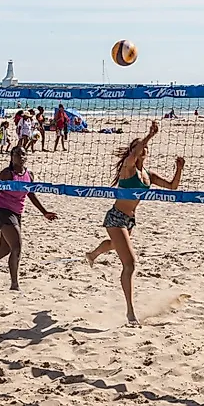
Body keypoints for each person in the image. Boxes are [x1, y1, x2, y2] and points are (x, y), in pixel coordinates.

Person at [85, 120, 185, 327]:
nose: (145, 149)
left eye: (146, 148)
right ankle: (130, 312)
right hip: (116, 218)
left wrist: (179, 168)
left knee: (114, 245)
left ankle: (93, 254)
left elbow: (173, 187)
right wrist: (149, 135)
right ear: (134, 151)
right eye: (141, 147)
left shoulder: (148, 175)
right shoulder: (127, 169)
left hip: (129, 220)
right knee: (130, 264)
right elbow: (134, 154)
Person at [0, 147, 57, 290]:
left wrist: (44, 212)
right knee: (16, 247)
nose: (21, 156)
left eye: (23, 154)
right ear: (11, 157)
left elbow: (31, 194)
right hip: (2, 210)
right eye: (17, 154)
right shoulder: (6, 174)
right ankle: (14, 285)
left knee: (3, 250)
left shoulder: (29, 175)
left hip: (17, 213)